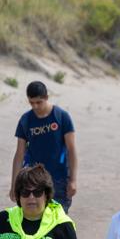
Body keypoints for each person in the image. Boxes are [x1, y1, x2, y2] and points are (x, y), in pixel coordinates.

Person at [9, 81, 77, 212]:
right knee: (35, 218)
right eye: (31, 102)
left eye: (38, 102)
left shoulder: (62, 117)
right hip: (34, 180)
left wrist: (73, 180)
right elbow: (19, 153)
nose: (35, 106)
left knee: (58, 219)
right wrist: (14, 184)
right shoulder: (26, 120)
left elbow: (71, 149)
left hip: (59, 179)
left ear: (46, 97)